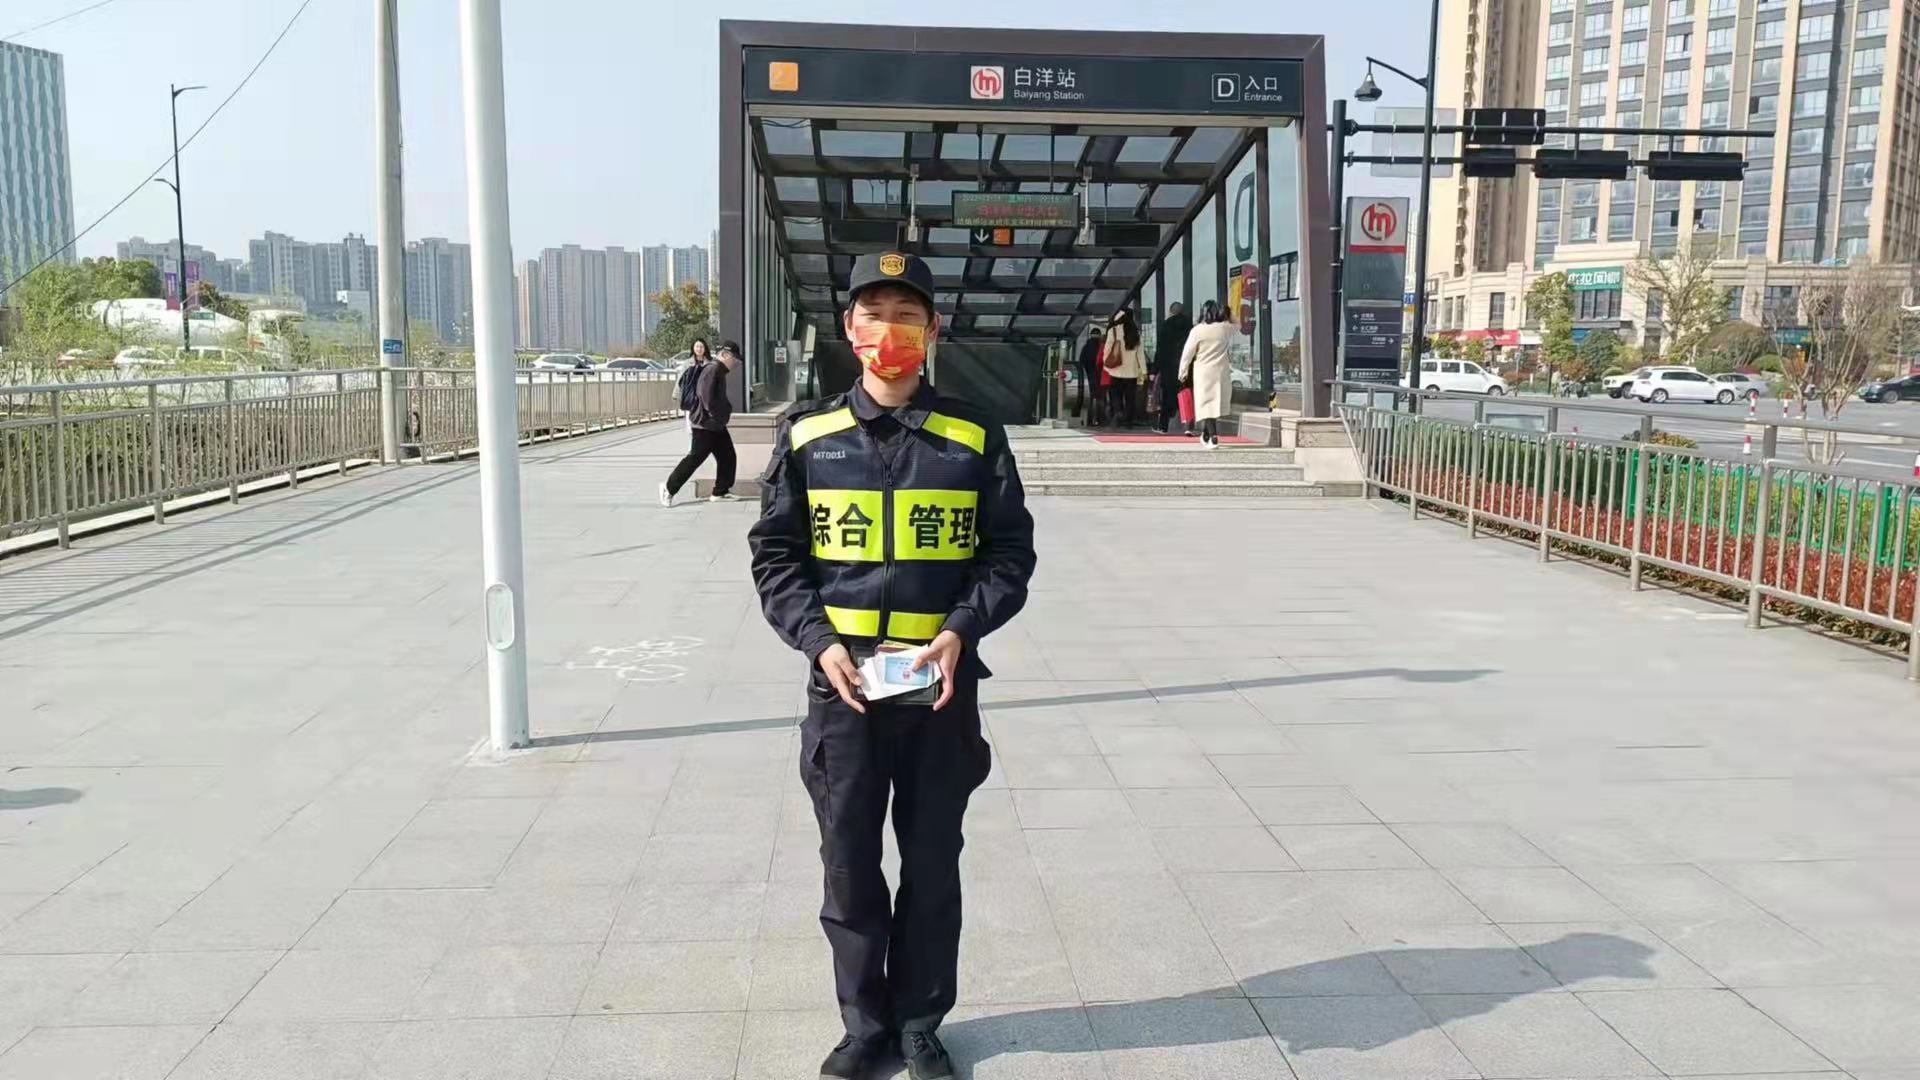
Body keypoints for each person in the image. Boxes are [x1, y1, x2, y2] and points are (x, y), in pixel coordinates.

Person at [748, 251, 1036, 1080]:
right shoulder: (808, 435)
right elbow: (776, 557)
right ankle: (862, 1026)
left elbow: (1009, 555)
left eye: (907, 315)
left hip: (938, 695)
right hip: (843, 694)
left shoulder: (973, 435)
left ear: (933, 330)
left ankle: (918, 1022)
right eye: (873, 313)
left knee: (932, 864)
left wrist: (960, 631)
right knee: (847, 866)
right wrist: (820, 641)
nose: (890, 330)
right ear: (850, 328)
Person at [660, 340, 739, 504]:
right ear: (724, 355)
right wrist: (716, 413)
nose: (736, 363)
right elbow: (705, 396)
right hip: (705, 424)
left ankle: (720, 492)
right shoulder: (713, 369)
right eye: (734, 358)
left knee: (727, 456)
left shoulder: (718, 370)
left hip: (714, 424)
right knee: (695, 458)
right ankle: (668, 488)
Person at [1179, 300, 1236, 448]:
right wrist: (1228, 311)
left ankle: (1213, 436)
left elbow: (1187, 353)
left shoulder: (1197, 330)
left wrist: (1182, 372)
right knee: (1214, 404)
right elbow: (1238, 324)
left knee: (1206, 404)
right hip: (1221, 371)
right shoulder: (1225, 328)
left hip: (1203, 372)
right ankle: (1206, 433)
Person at [1101, 309, 1145, 427]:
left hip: (1116, 371)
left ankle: (1118, 412)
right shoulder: (1136, 332)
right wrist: (1144, 371)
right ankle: (1128, 421)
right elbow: (1140, 354)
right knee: (1130, 398)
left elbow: (1107, 349)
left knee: (1115, 394)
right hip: (1132, 372)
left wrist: (1106, 364)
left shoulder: (1113, 330)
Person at [1154, 301, 1193, 434]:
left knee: (1166, 398)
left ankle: (1163, 426)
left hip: (1168, 368)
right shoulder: (1189, 327)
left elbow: (1160, 350)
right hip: (1185, 367)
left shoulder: (1165, 326)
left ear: (1171, 311)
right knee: (1185, 396)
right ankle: (1187, 426)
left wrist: (1155, 369)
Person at [1075, 323, 1107, 426]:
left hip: (1089, 376)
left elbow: (1081, 362)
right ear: (1099, 335)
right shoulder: (1102, 347)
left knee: (1091, 398)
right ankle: (1101, 419)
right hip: (1101, 376)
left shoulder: (1086, 347)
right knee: (1101, 398)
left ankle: (1090, 419)